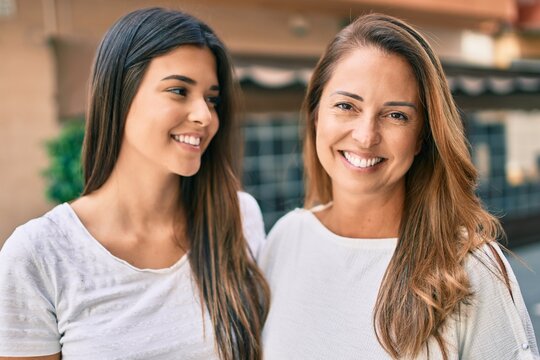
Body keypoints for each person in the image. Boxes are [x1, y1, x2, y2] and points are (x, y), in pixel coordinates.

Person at [259, 13, 539, 360]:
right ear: (316, 114)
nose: (365, 136)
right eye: (346, 106)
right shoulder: (286, 240)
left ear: (422, 136)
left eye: (396, 115)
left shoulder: (469, 268)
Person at [0, 7, 269, 360]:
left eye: (212, 99)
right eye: (178, 90)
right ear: (119, 95)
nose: (205, 116)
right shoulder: (39, 254)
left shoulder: (239, 217)